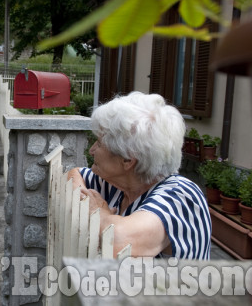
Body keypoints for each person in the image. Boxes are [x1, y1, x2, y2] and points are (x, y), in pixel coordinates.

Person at [67, 91, 211, 260]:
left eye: (99, 143)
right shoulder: (117, 183)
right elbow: (74, 173)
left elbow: (118, 241)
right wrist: (85, 199)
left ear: (128, 160)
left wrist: (99, 212)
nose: (91, 151)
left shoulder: (181, 196)